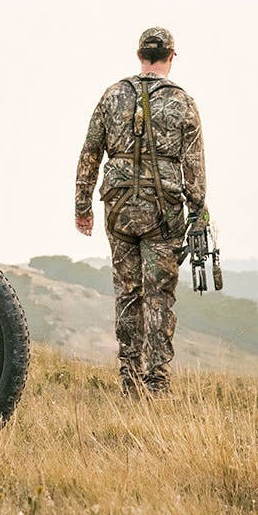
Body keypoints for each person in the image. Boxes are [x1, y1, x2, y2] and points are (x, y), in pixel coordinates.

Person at [74, 27, 206, 395]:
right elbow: (194, 165)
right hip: (163, 208)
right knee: (159, 294)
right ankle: (157, 381)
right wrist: (198, 211)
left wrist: (82, 206)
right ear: (171, 55)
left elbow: (90, 153)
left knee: (127, 291)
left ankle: (129, 380)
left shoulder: (112, 95)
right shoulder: (183, 102)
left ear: (139, 55)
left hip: (117, 206)